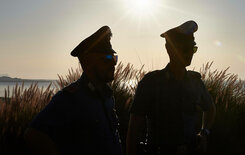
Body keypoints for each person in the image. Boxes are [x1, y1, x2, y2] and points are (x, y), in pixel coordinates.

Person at [24, 26, 122, 155]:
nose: (113, 64)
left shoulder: (107, 95)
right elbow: (33, 134)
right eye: (107, 58)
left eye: (114, 58)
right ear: (88, 62)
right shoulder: (70, 98)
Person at [126, 21, 216, 155]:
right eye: (185, 49)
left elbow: (210, 109)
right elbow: (133, 130)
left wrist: (204, 133)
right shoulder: (151, 83)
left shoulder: (196, 82)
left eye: (193, 48)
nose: (190, 53)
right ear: (170, 49)